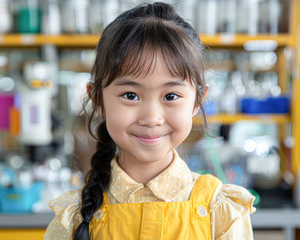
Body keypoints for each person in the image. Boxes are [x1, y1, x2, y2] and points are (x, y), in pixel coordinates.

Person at [44, 2, 255, 240]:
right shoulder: (72, 215)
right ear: (98, 100)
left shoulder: (222, 212)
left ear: (197, 101)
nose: (152, 118)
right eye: (131, 95)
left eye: (170, 96)